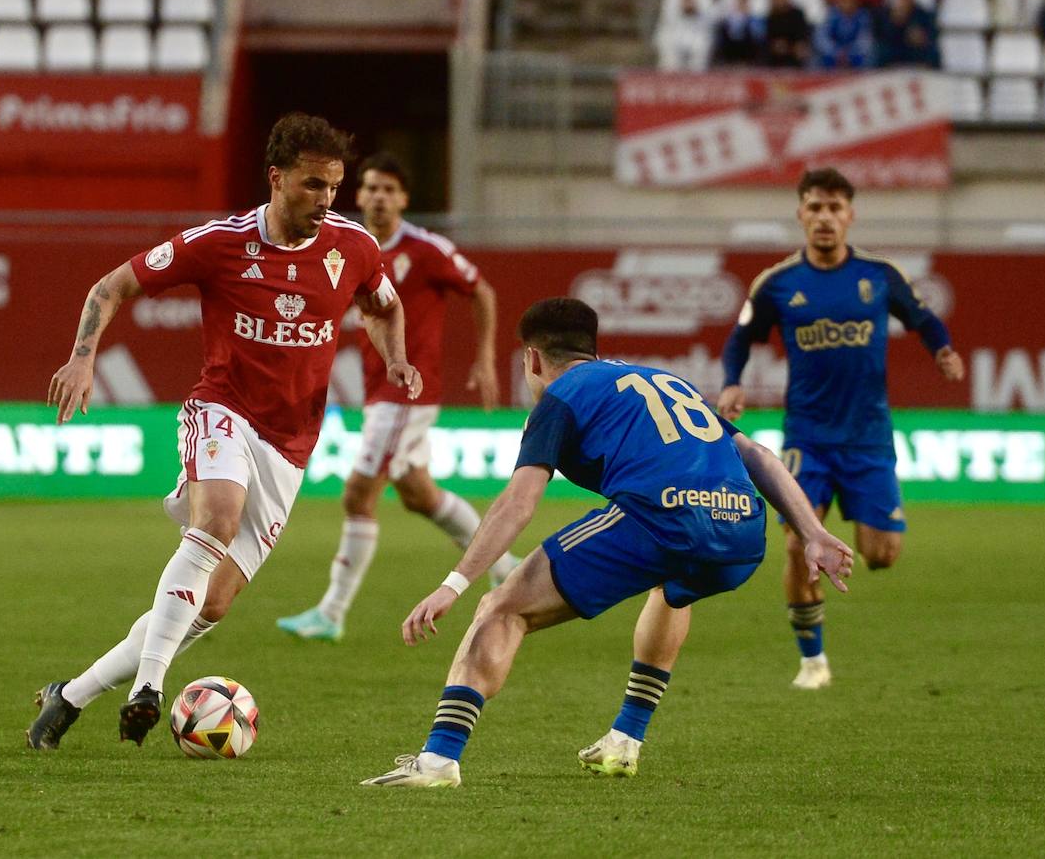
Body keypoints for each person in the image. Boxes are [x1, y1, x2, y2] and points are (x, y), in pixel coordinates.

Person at [26, 113, 422, 750]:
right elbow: (113, 286)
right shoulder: (218, 242)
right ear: (276, 178)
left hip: (291, 445)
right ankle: (149, 688)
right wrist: (82, 357)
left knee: (209, 606)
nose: (326, 200)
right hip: (222, 410)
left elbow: (384, 306)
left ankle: (70, 696)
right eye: (312, 185)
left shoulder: (352, 247)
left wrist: (395, 356)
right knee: (214, 523)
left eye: (333, 187)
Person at [361, 298, 854, 787]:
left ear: (532, 358)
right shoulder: (666, 382)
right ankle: (625, 740)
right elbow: (758, 454)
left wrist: (454, 583)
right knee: (672, 586)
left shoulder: (562, 396)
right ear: (592, 350)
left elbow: (519, 502)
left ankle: (438, 760)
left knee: (501, 608)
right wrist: (813, 533)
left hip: (661, 514)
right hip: (744, 529)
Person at [717, 168, 964, 691]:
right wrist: (733, 382)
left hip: (869, 438)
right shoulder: (778, 283)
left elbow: (922, 318)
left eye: (834, 208)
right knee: (794, 545)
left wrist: (942, 350)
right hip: (806, 439)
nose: (825, 218)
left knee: (881, 556)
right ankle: (813, 661)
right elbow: (740, 337)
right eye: (814, 208)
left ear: (850, 215)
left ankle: (864, 527)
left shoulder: (880, 276)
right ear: (801, 215)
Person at [276, 152, 517, 642]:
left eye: (390, 189)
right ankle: (506, 567)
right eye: (371, 188)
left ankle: (332, 611)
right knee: (419, 494)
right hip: (377, 389)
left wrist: (486, 358)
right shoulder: (347, 245)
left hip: (406, 390)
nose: (379, 197)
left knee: (358, 492)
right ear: (358, 195)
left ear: (403, 199)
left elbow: (482, 291)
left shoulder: (426, 249)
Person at [876, 0, 940, 67]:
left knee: (933, 52)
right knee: (882, 51)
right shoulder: (888, 13)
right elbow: (884, 35)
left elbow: (932, 32)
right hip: (897, 47)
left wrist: (923, 37)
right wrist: (896, 23)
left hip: (916, 48)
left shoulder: (922, 13)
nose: (905, 0)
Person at [814, 0, 876, 69]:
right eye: (843, 0)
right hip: (834, 56)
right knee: (818, 58)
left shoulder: (862, 16)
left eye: (849, 0)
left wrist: (850, 53)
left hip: (855, 56)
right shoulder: (832, 15)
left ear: (855, 1)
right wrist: (836, 52)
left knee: (870, 56)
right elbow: (821, 38)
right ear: (838, 1)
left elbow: (865, 39)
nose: (847, 4)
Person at [711, 0, 765, 66]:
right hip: (730, 55)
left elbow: (758, 38)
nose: (742, 2)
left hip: (748, 56)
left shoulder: (755, 19)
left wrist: (748, 17)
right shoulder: (727, 19)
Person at [764, 0, 812, 68]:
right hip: (776, 57)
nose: (778, 0)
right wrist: (776, 46)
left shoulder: (798, 14)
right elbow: (768, 40)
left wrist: (797, 46)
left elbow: (803, 36)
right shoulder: (771, 17)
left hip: (796, 55)